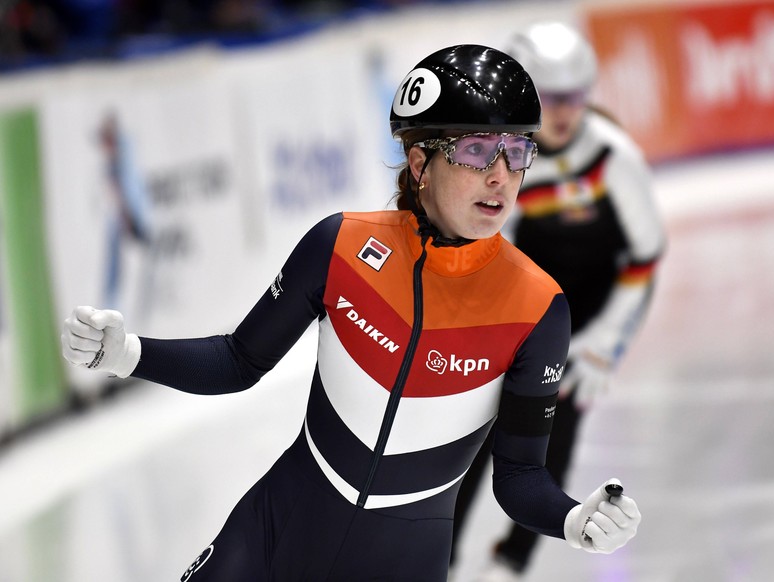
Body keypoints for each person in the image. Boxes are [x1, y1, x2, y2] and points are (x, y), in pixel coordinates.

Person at [60, 44, 641, 582]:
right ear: (420, 162)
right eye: (475, 149)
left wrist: (571, 520)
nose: (501, 175)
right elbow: (239, 360)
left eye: (517, 152)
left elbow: (517, 478)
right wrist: (129, 352)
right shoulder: (339, 246)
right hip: (272, 539)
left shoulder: (538, 308)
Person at [449, 23, 665, 581]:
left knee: (553, 436)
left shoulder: (615, 158)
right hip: (523, 314)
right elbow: (489, 251)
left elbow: (645, 257)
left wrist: (604, 345)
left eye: (574, 96)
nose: (563, 111)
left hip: (585, 325)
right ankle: (438, 558)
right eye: (549, 97)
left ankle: (511, 562)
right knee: (475, 439)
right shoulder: (499, 157)